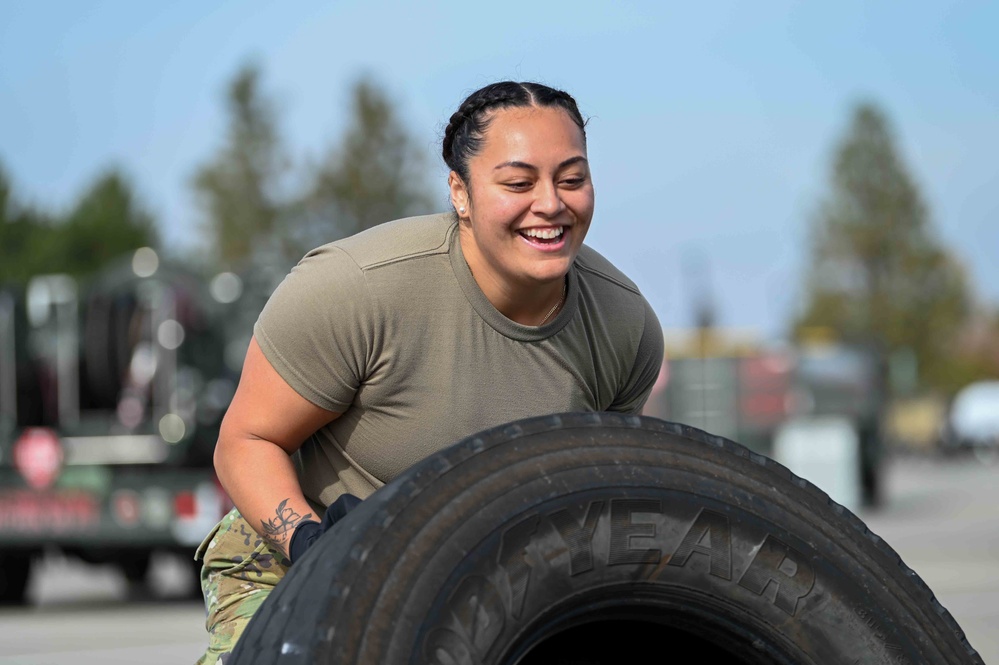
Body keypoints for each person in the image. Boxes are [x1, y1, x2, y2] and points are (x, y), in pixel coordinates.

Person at [194, 80, 664, 663]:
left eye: (572, 179)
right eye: (518, 182)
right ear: (460, 193)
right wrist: (319, 550)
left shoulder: (624, 325)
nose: (551, 203)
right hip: (300, 551)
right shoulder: (355, 290)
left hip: (488, 569)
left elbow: (597, 495)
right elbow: (245, 442)